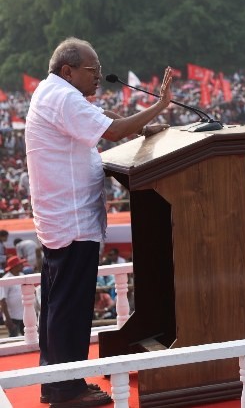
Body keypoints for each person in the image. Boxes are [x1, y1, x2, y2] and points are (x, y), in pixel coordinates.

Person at [26, 37, 173, 406]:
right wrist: (159, 107)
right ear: (68, 70)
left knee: (61, 305)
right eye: (92, 69)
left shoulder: (53, 93)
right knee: (70, 309)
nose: (98, 75)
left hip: (64, 217)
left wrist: (140, 127)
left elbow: (105, 126)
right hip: (72, 220)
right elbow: (113, 130)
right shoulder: (62, 97)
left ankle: (56, 383)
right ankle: (66, 389)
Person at [0, 256, 25, 337]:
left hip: (24, 314)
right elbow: (3, 301)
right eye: (20, 264)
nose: (22, 266)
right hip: (12, 316)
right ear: (14, 266)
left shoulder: (22, 275)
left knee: (28, 337)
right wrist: (8, 319)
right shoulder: (5, 279)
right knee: (13, 338)